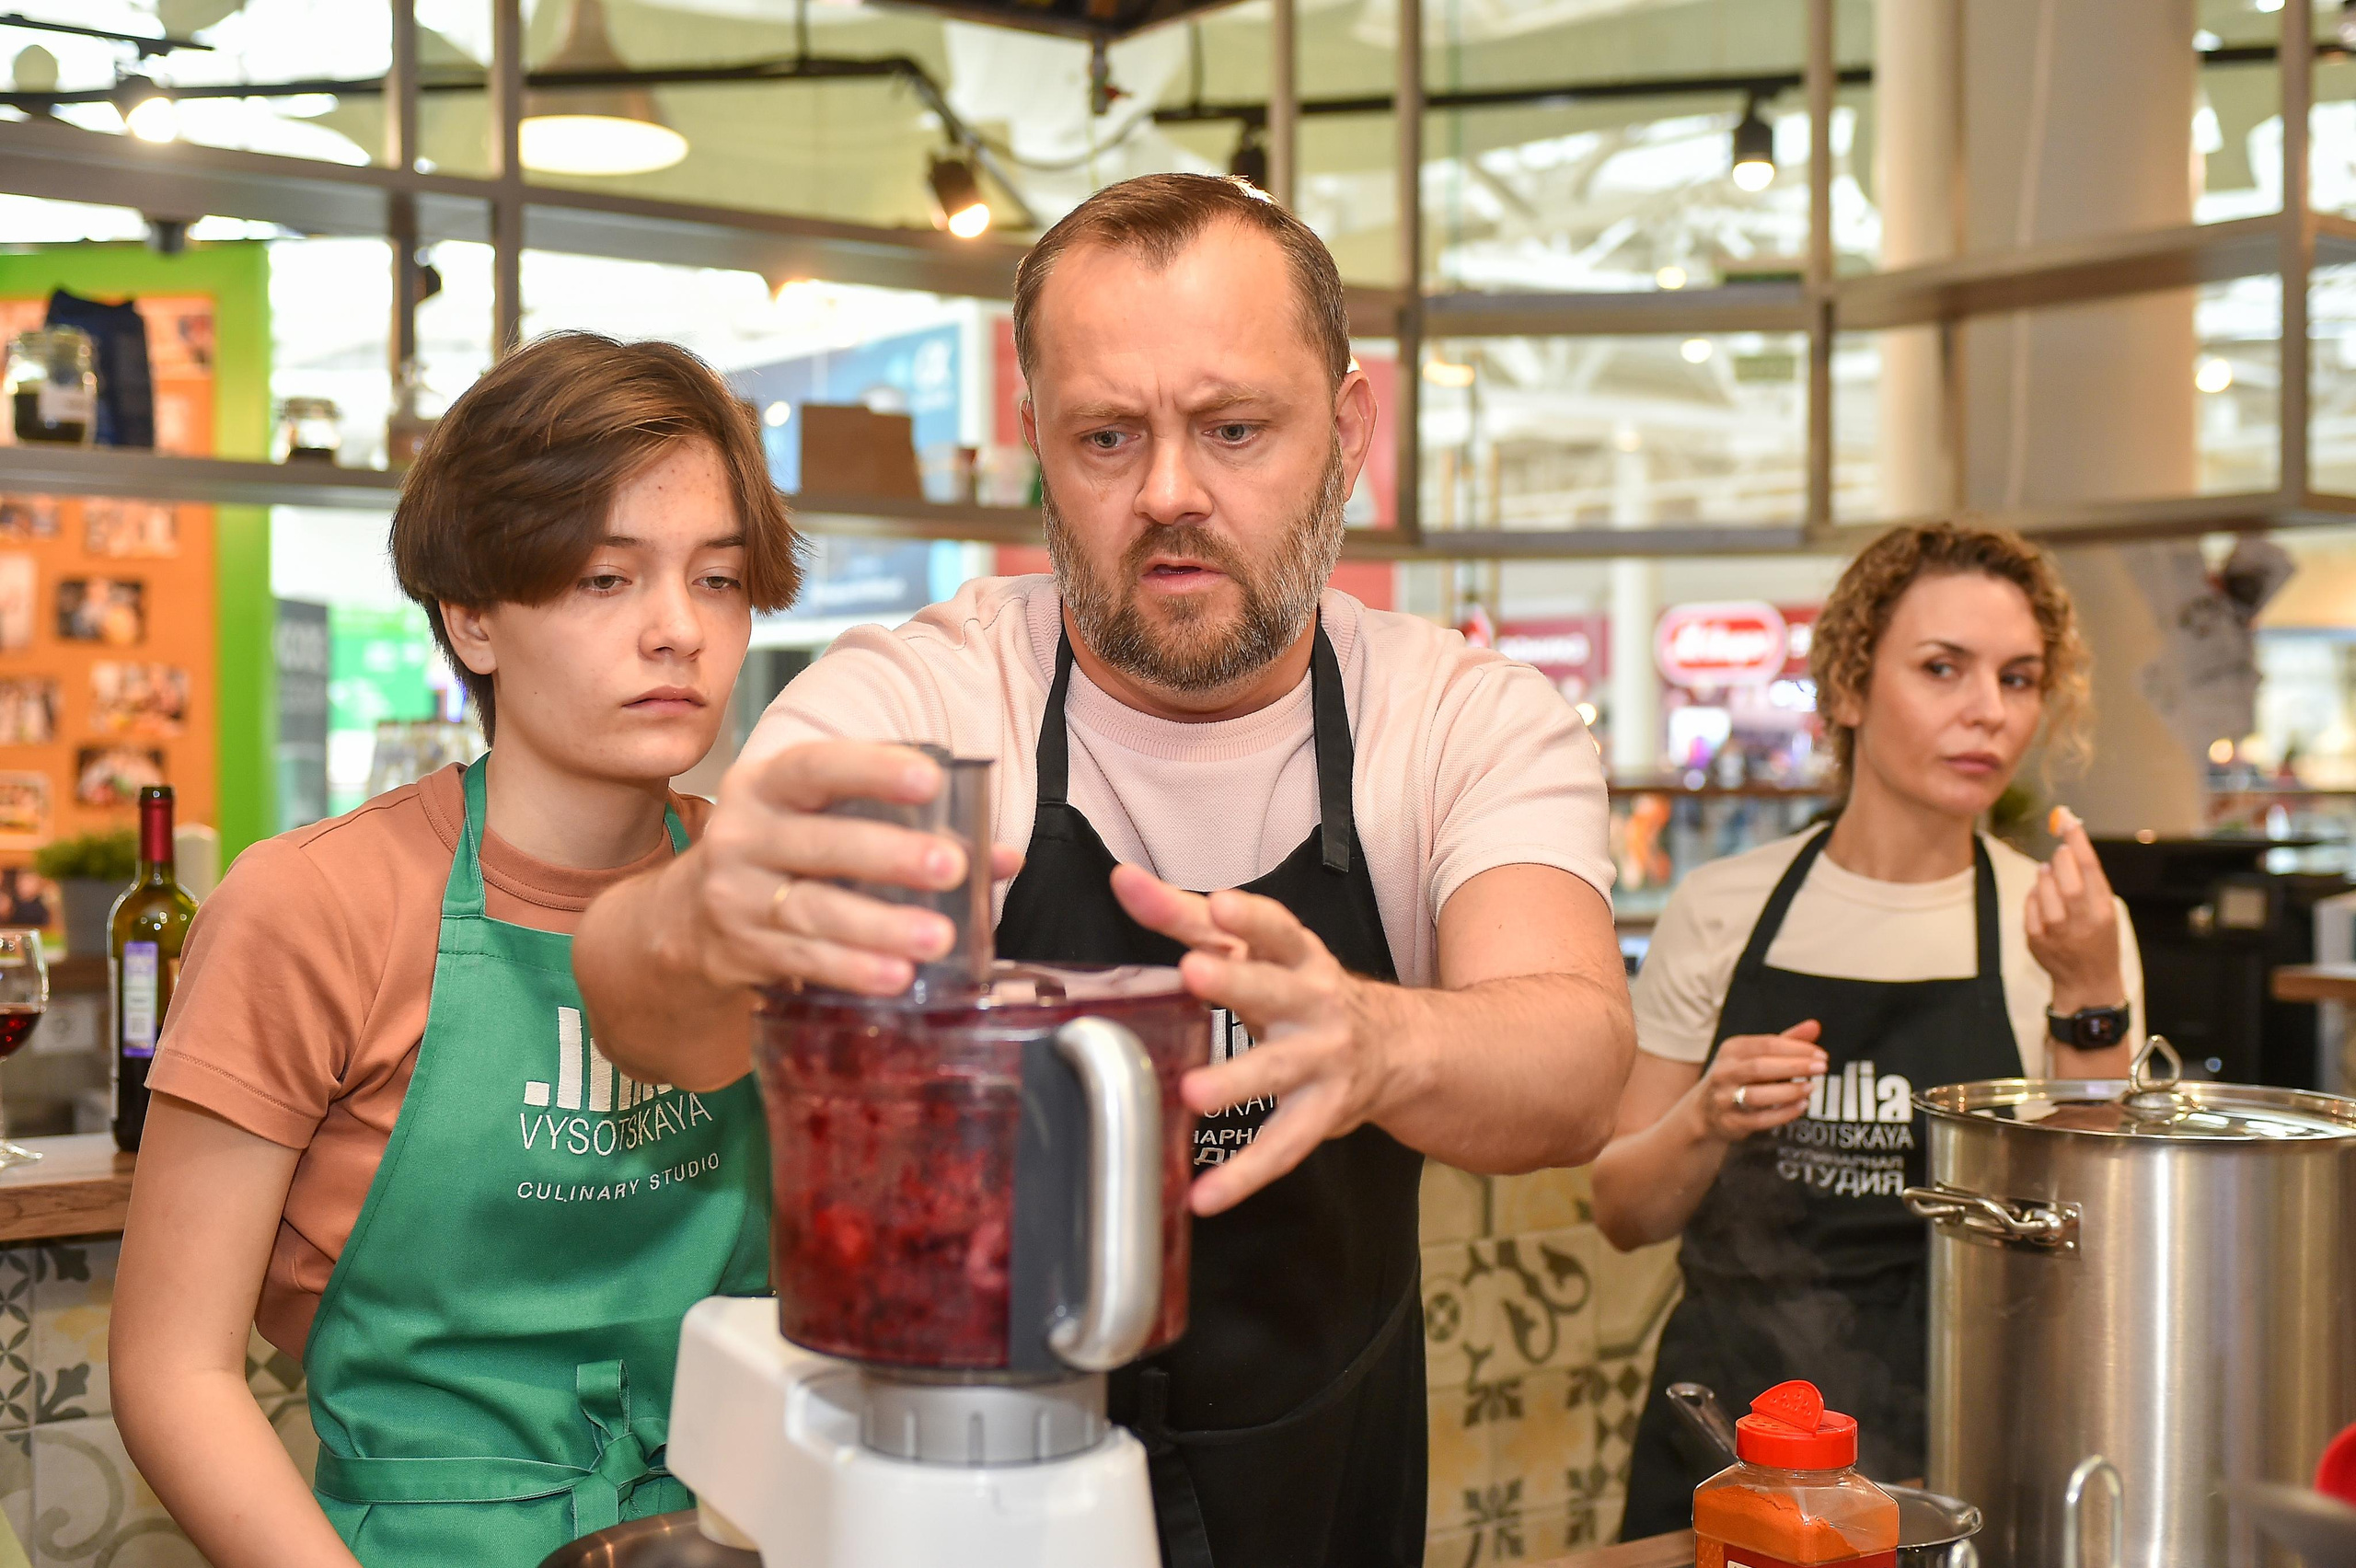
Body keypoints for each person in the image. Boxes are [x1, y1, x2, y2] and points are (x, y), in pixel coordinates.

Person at [573, 172, 1636, 1568]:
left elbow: (1576, 1062)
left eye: (1236, 428)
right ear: (1036, 442)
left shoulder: (1458, 721)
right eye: (1108, 437)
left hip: (1325, 1497)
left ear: (1351, 430)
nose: (1170, 493)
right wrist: (699, 917)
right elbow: (647, 1016)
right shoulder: (928, 697)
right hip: (949, 1507)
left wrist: (1380, 1037)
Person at [111, 332, 802, 1568]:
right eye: (605, 578)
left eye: (719, 579)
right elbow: (174, 1373)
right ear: (472, 617)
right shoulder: (315, 907)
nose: (677, 632)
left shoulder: (773, 899)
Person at [1595, 524, 2144, 1539]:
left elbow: (2093, 1244)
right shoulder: (1723, 908)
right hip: (1728, 1442)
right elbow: (1622, 1207)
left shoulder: (2062, 930)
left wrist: (2088, 990)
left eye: (2018, 679)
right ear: (1848, 688)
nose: (1987, 710)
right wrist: (1707, 1119)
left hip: (1962, 1443)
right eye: (1943, 669)